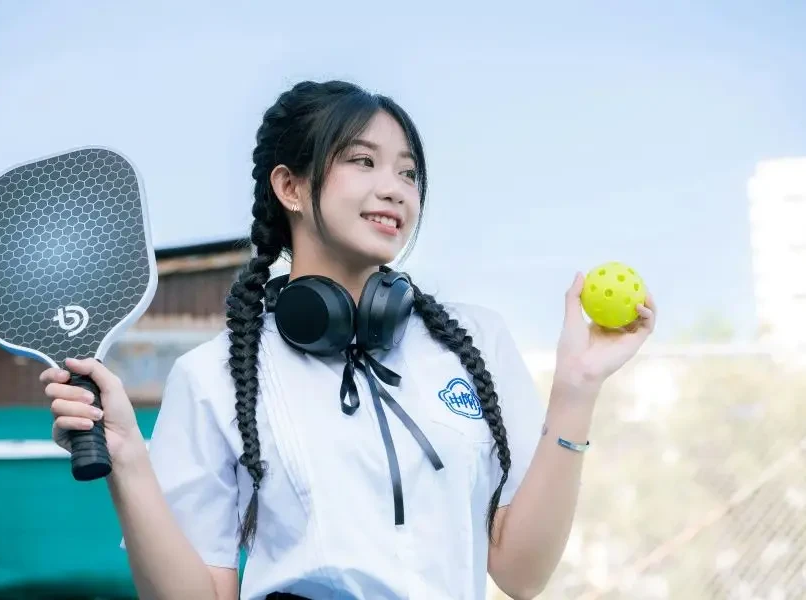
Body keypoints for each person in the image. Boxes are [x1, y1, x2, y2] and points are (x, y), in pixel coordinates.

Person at [40, 80, 656, 600]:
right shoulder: (214, 376)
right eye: (363, 161)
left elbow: (522, 573)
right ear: (290, 188)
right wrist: (128, 462)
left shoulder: (477, 340)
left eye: (409, 173)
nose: (395, 188)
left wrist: (578, 387)